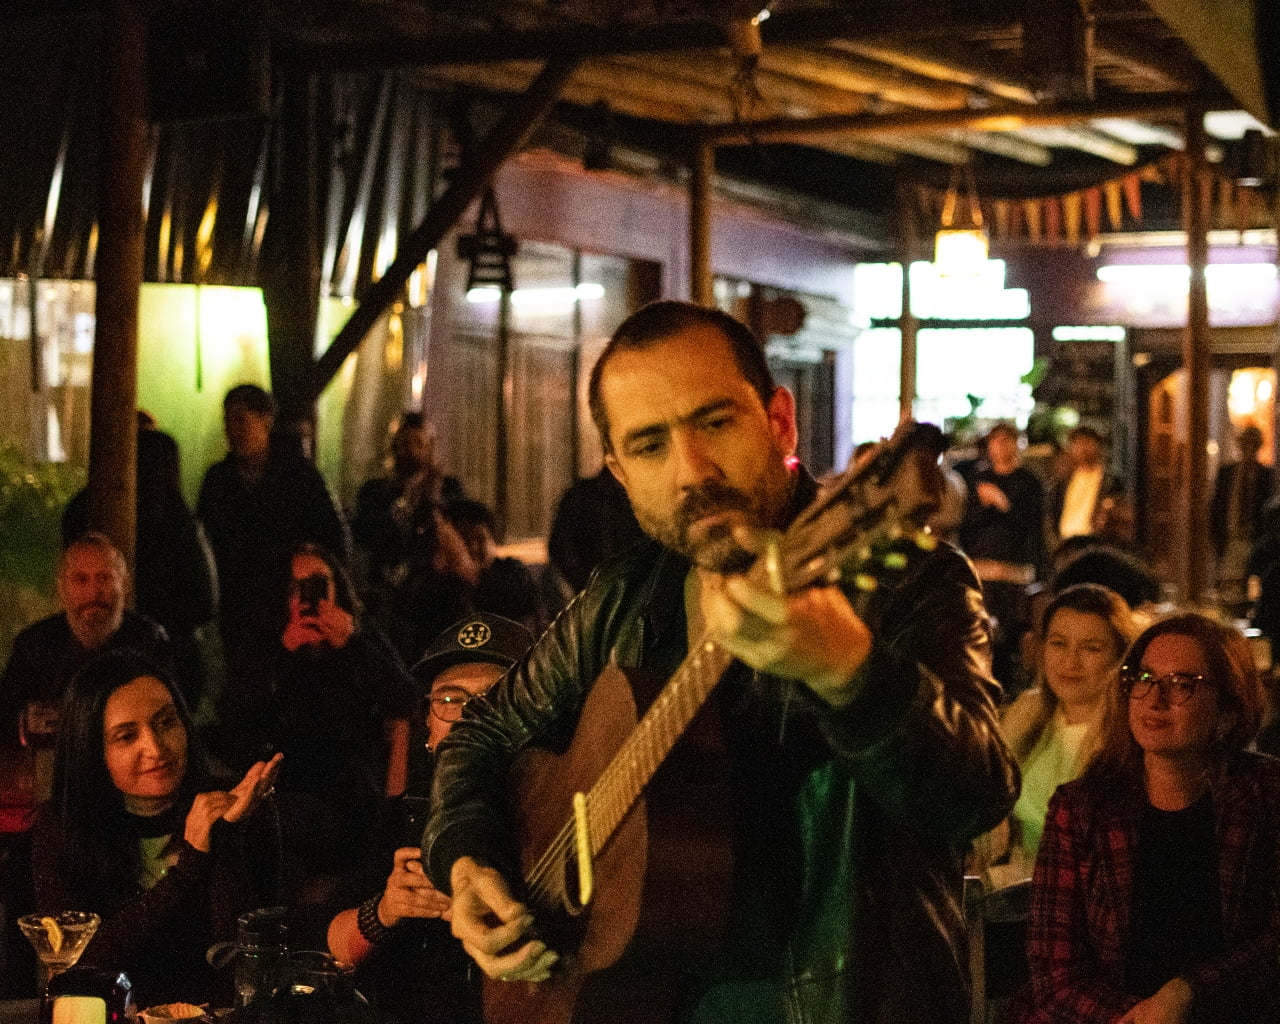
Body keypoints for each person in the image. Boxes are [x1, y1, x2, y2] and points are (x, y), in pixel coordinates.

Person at [423, 301, 1018, 1023]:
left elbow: (976, 794)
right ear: (618, 473)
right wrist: (467, 860)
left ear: (780, 422)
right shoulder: (624, 596)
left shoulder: (912, 583)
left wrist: (846, 668)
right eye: (649, 445)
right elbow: (482, 733)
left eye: (715, 423)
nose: (692, 471)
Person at [1018, 613, 1280, 1024]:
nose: (1155, 699)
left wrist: (1188, 992)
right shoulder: (1082, 808)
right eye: (1143, 678)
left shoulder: (1266, 793)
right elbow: (1055, 976)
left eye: (1182, 684)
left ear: (1227, 709)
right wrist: (1144, 1017)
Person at [31, 650, 282, 1006]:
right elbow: (80, 965)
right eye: (126, 736)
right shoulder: (61, 826)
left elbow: (245, 963)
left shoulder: (235, 805)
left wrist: (226, 832)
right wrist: (190, 864)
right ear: (92, 749)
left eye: (166, 722)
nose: (155, 747)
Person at [327, 613, 535, 1024]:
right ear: (428, 723)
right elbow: (334, 942)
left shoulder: (562, 801)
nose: (469, 717)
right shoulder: (405, 815)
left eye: (495, 697)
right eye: (450, 700)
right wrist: (385, 910)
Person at [216, 542, 417, 877]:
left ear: (337, 587)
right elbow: (234, 718)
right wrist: (283, 651)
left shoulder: (359, 634)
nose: (310, 597)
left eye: (319, 584)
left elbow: (406, 698)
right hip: (286, 782)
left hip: (353, 784)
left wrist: (353, 644)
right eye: (298, 587)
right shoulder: (265, 641)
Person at [980, 584, 1138, 886]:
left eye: (1091, 648)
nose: (1070, 662)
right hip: (1013, 890)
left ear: (1120, 656)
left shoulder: (1128, 737)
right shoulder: (1025, 716)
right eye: (1059, 643)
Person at [63, 426, 218, 711]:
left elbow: (204, 599)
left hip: (157, 649)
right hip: (160, 650)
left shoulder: (85, 508)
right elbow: (204, 600)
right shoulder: (177, 521)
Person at [197, 383, 349, 657]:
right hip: (239, 607)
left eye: (241, 420)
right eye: (227, 421)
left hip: (289, 603)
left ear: (266, 421)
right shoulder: (218, 480)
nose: (232, 430)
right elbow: (208, 541)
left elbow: (331, 537)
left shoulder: (300, 477)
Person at [352, 413, 478, 664]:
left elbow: (459, 533)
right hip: (389, 597)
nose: (411, 451)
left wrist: (432, 502)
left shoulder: (449, 489)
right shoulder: (375, 491)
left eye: (418, 443)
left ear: (430, 446)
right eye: (404, 443)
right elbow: (366, 534)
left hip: (438, 598)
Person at [959, 422, 1047, 695]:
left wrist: (1003, 504)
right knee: (981, 633)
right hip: (982, 570)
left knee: (1012, 635)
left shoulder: (1028, 482)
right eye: (995, 441)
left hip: (1014, 572)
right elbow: (966, 526)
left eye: (1007, 441)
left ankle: (1010, 689)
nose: (1000, 447)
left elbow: (1031, 527)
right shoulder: (977, 481)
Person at [443, 498, 546, 633]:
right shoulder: (442, 587)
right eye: (465, 540)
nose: (473, 547)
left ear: (493, 541)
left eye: (480, 538)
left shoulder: (513, 576)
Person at [546, 466, 644, 595]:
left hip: (615, 589)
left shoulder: (638, 499)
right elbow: (561, 547)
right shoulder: (581, 497)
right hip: (601, 589)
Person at [1210, 425, 1273, 608]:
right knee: (1228, 585)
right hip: (1231, 538)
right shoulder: (1227, 473)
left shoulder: (1266, 476)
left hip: (1254, 539)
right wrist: (1215, 539)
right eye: (1245, 444)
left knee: (1252, 584)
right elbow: (1216, 507)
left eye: (1252, 444)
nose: (1248, 449)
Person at [1048, 425, 1130, 546]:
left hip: (1094, 544)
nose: (1083, 448)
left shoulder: (1110, 481)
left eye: (1087, 442)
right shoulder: (1063, 482)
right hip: (1066, 543)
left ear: (1098, 446)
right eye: (1077, 443)